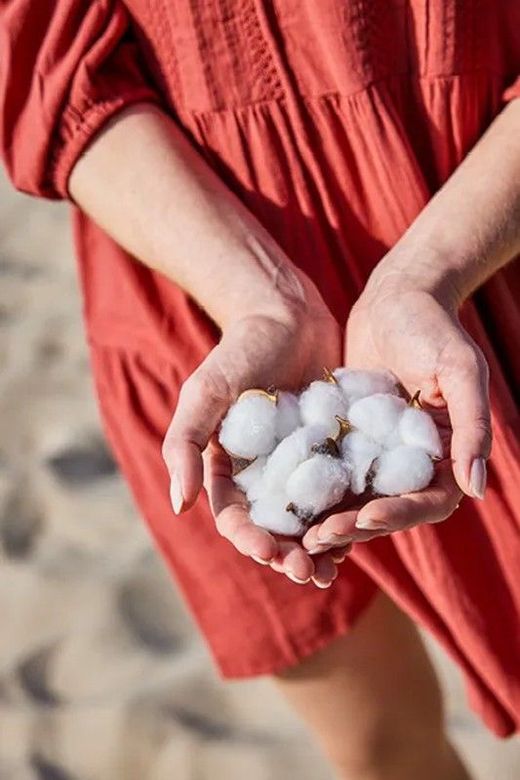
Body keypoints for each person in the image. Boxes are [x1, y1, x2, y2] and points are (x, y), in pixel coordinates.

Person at [1, 2, 519, 778]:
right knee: (377, 745)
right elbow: (47, 70)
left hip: (484, 239)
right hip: (201, 301)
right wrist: (259, 298)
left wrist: (429, 272)